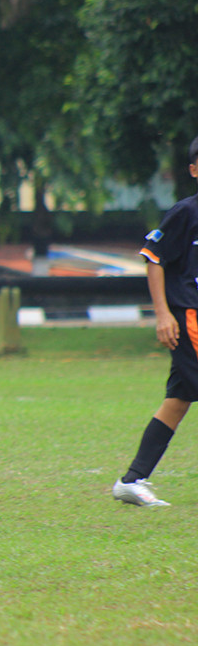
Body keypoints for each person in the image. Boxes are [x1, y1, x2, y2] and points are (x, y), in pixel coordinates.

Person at [113, 135, 198, 507]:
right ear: (194, 170)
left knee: (178, 399)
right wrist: (163, 314)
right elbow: (154, 257)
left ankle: (132, 481)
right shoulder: (186, 212)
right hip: (189, 316)